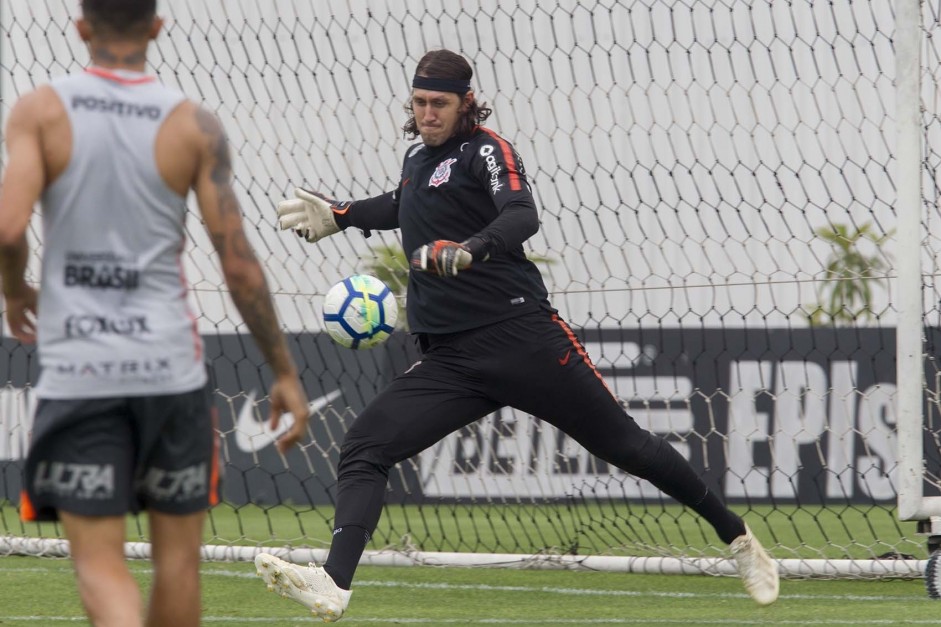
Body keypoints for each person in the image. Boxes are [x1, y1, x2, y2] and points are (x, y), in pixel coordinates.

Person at [254, 48, 779, 622]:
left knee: (628, 448)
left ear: (465, 104)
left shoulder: (488, 149)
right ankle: (334, 583)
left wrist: (470, 249)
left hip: (522, 338)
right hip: (451, 359)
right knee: (364, 448)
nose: (428, 112)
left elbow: (522, 214)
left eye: (440, 103)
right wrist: (343, 213)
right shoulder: (416, 160)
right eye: (420, 102)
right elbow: (406, 204)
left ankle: (738, 540)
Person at [0, 1, 311, 626]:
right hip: (172, 374)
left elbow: (8, 231)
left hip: (81, 374)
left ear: (82, 27)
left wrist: (15, 291)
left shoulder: (40, 111)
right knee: (178, 566)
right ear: (157, 27)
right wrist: (283, 371)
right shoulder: (194, 125)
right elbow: (239, 263)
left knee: (100, 565)